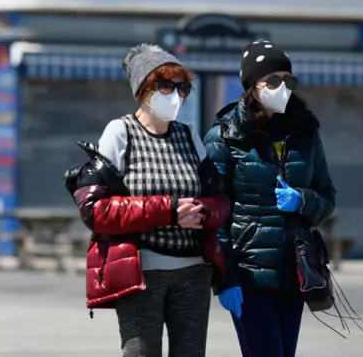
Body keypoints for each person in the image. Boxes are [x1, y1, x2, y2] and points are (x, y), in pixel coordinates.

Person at [69, 43, 232, 357]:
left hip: (194, 271)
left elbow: (221, 199)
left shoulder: (189, 135)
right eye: (166, 86)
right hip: (142, 271)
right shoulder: (120, 132)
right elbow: (95, 210)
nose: (176, 96)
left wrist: (202, 211)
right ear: (142, 90)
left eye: (182, 88)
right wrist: (170, 211)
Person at [203, 41, 336, 357]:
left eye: (288, 80)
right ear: (251, 86)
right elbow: (213, 214)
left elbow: (327, 197)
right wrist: (225, 279)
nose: (282, 88)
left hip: (294, 274)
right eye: (273, 81)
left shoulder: (305, 131)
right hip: (249, 276)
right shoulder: (224, 137)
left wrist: (302, 201)